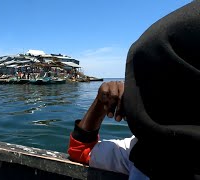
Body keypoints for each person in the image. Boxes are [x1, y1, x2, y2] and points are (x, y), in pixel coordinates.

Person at [68, 1, 200, 180]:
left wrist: (102, 104)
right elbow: (81, 151)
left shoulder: (146, 150)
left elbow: (81, 150)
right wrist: (101, 101)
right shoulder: (145, 147)